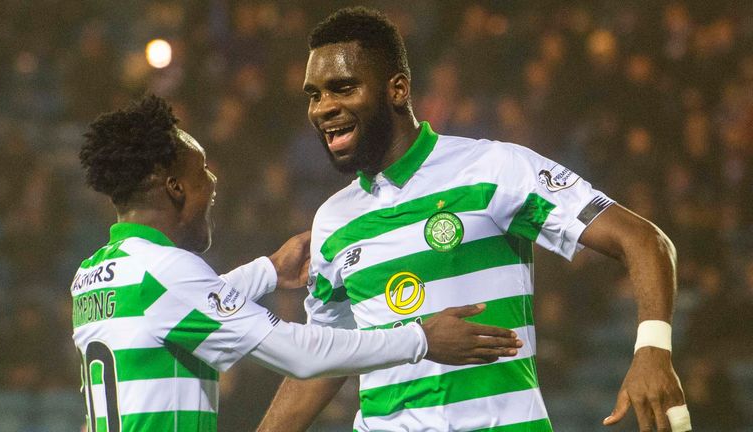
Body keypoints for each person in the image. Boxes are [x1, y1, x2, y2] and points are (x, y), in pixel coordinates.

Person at [258, 7, 691, 432]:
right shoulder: (334, 220)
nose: (323, 108)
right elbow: (326, 358)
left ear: (397, 89)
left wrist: (653, 348)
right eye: (314, 95)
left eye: (342, 88)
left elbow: (643, 239)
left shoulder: (492, 170)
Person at [71, 95, 522, 432]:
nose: (212, 183)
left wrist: (269, 270)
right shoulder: (165, 271)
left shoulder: (94, 276)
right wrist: (420, 338)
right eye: (202, 171)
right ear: (174, 187)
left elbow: (177, 308)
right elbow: (300, 355)